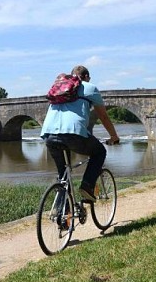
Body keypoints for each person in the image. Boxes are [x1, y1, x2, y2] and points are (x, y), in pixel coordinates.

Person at [41, 65, 120, 203]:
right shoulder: (89, 88)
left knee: (63, 175)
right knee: (99, 152)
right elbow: (104, 117)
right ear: (86, 77)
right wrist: (114, 136)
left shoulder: (59, 89)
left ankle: (62, 213)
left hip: (49, 134)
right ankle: (87, 186)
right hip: (73, 134)